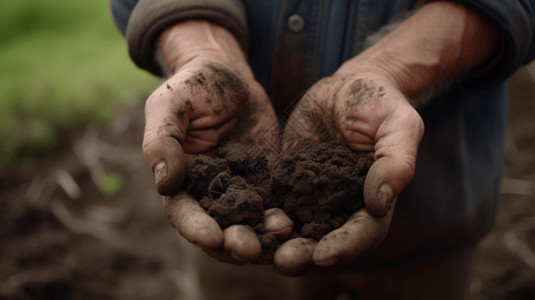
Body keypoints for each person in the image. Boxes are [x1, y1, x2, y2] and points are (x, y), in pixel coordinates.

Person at [110, 0, 535, 299]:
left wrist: (389, 70)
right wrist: (202, 50)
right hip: (226, 219)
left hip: (433, 206)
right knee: (240, 274)